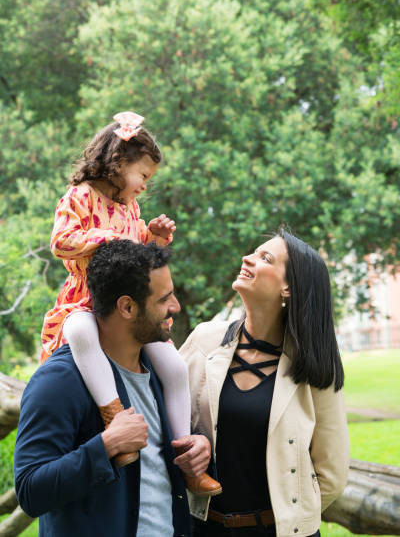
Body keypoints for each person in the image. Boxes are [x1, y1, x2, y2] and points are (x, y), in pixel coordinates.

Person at [40, 111, 220, 495]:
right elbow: (60, 241)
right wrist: (105, 238)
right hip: (86, 298)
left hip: (130, 304)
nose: (144, 186)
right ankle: (114, 417)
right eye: (142, 175)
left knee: (173, 365)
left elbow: (138, 257)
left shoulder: (130, 208)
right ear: (118, 164)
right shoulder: (80, 196)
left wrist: (153, 239)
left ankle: (185, 455)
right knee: (81, 335)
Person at [15, 240, 213, 536]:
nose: (175, 307)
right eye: (164, 299)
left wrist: (197, 447)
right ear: (127, 307)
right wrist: (106, 446)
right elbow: (31, 491)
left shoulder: (160, 372)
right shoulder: (58, 382)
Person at [180, 228, 350, 537]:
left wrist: (290, 518)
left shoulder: (315, 366)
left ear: (288, 287)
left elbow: (332, 474)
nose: (247, 258)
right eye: (254, 252)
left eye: (265, 257)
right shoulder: (203, 340)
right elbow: (166, 416)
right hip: (203, 528)